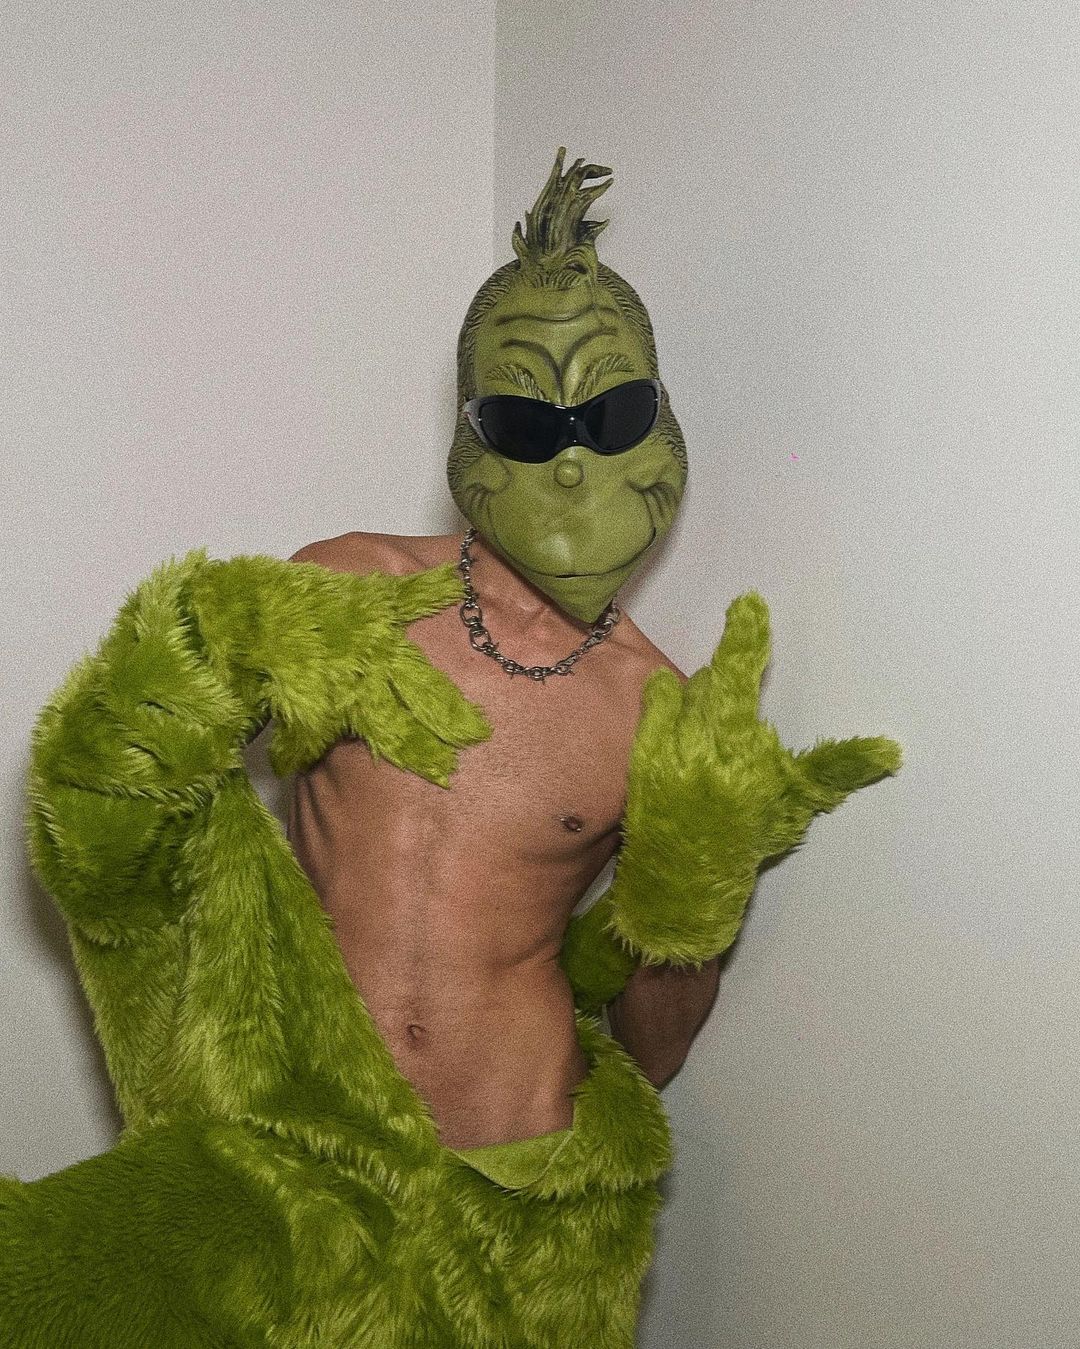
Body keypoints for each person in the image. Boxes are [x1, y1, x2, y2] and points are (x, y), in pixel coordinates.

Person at [0, 148, 900, 1347]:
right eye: (524, 420)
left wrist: (691, 904)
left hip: (518, 1176)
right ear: (473, 429)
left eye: (610, 417)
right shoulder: (343, 588)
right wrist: (211, 639)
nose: (568, 457)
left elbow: (654, 1049)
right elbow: (127, 804)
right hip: (300, 1151)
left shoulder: (662, 709)